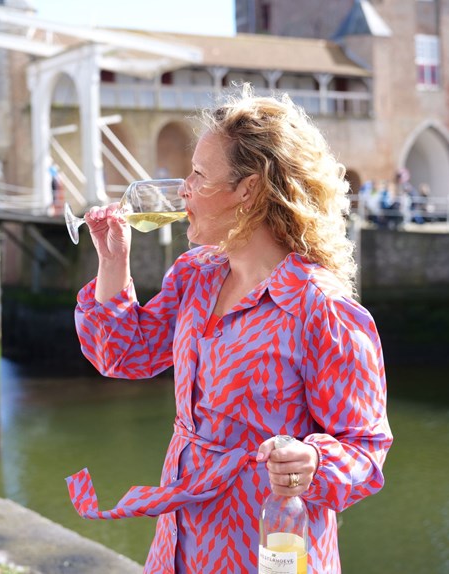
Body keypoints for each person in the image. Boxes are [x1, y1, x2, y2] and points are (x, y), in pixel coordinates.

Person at [66, 85, 392, 573]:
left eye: (198, 175)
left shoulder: (321, 309)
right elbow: (124, 355)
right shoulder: (196, 274)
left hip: (265, 551)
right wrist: (113, 262)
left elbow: (366, 450)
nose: (183, 189)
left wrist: (313, 463)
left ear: (249, 189)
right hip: (178, 545)